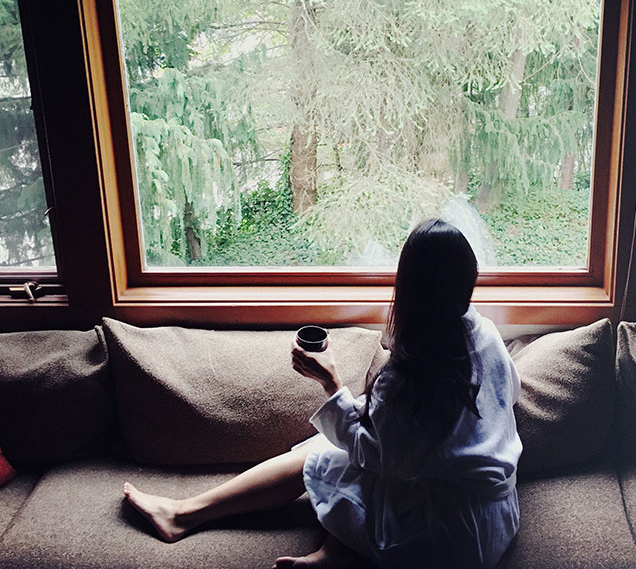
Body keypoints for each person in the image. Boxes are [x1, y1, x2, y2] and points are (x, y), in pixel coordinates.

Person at [123, 218, 522, 569]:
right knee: (347, 451)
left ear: (410, 288)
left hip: (443, 540)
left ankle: (182, 514)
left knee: (320, 453)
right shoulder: (485, 336)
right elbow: (509, 394)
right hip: (494, 521)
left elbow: (371, 454)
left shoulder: (410, 373)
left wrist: (331, 385)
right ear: (467, 280)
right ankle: (334, 556)